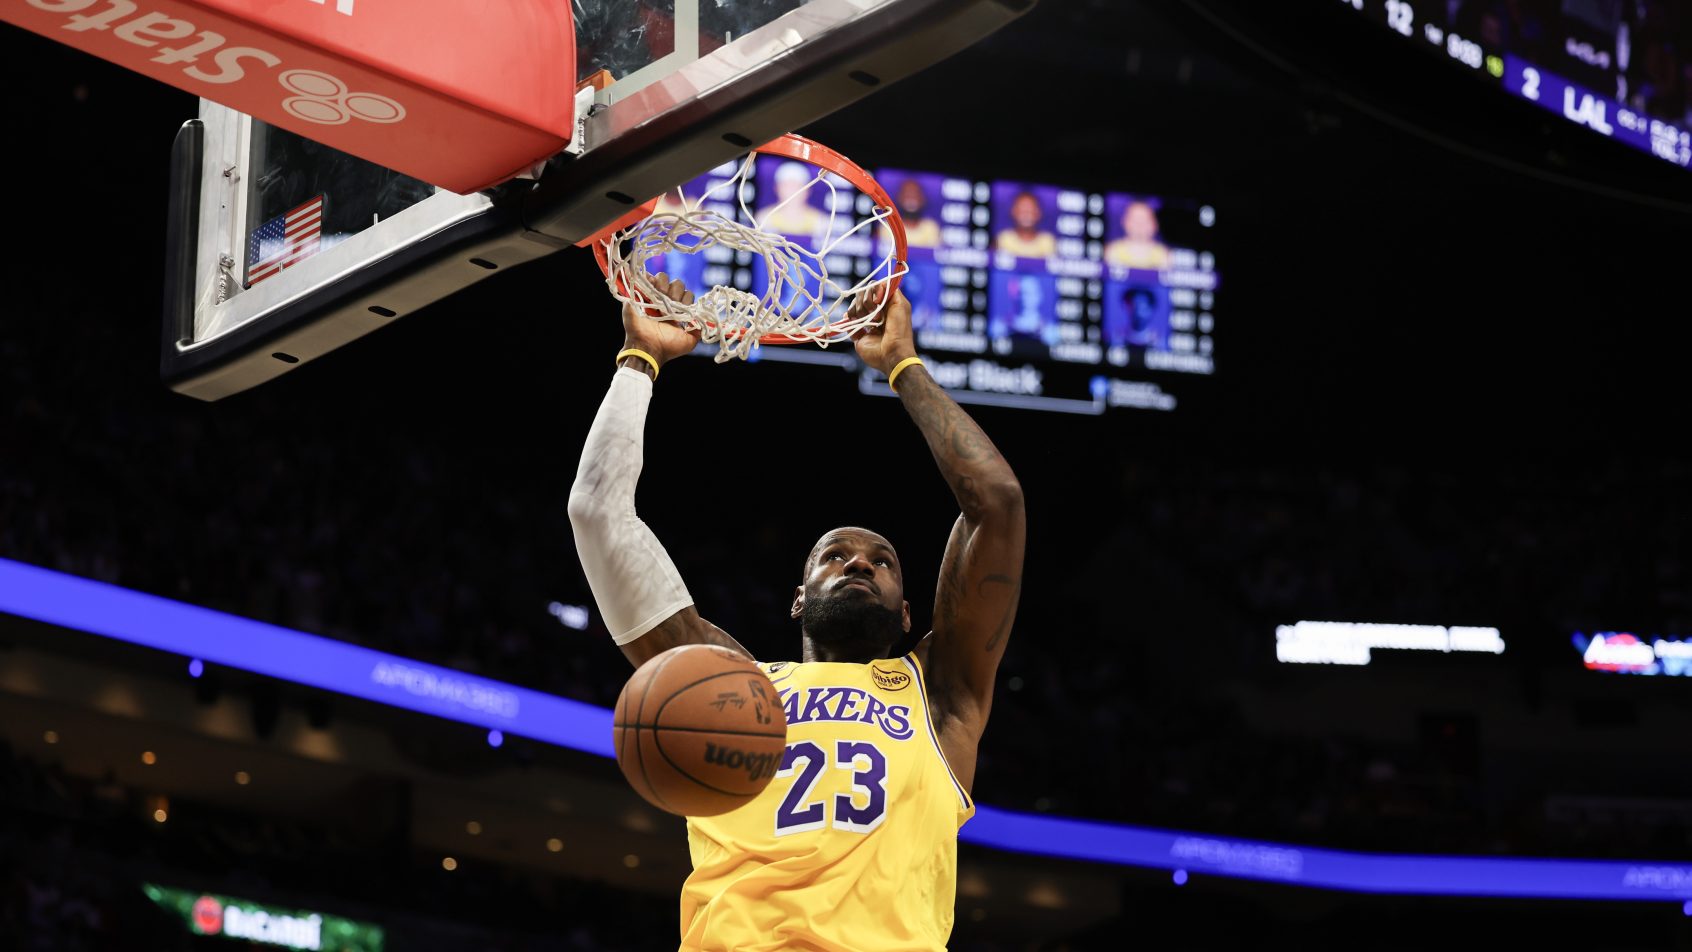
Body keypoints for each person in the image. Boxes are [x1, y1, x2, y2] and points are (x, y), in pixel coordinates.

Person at [569, 276, 1026, 952]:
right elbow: (596, 513)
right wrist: (641, 359)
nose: (859, 563)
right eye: (834, 555)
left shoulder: (941, 695)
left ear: (908, 614)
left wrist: (903, 365)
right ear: (799, 598)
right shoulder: (724, 684)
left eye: (882, 561)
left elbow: (997, 504)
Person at [1102, 200, 1170, 270]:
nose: (1139, 225)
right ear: (1125, 222)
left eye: (1144, 220)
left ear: (1154, 224)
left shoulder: (1163, 254)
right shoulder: (1112, 251)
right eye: (1135, 220)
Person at [993, 191, 1057, 258]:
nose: (1026, 214)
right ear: (1013, 212)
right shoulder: (1003, 239)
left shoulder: (1048, 241)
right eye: (1022, 209)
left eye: (1030, 209)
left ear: (1038, 213)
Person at [896, 178, 943, 249]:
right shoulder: (887, 227)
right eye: (907, 195)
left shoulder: (931, 228)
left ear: (922, 199)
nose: (911, 200)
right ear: (899, 198)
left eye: (915, 195)